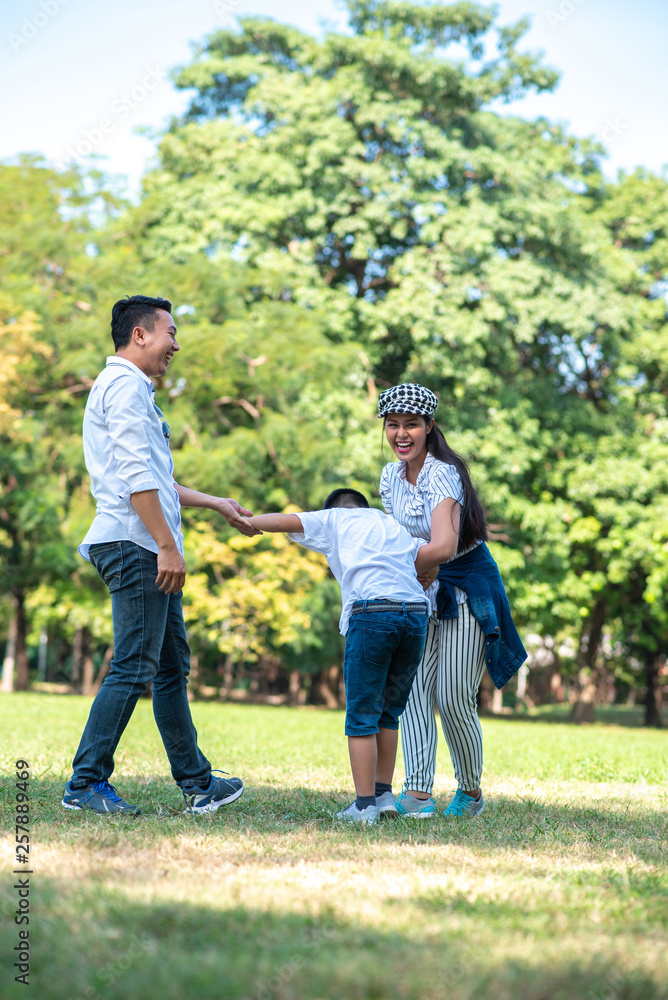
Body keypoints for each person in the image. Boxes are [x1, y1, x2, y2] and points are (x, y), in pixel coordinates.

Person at [62, 294, 261, 816]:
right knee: (134, 665)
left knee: (170, 666)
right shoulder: (125, 387)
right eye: (170, 332)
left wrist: (215, 503)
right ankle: (85, 784)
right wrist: (167, 547)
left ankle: (198, 783)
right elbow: (136, 479)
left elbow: (159, 479)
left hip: (142, 538)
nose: (176, 343)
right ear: (140, 334)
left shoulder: (134, 391)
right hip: (135, 542)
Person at [378, 383, 527, 817]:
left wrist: (402, 566)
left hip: (463, 586)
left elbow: (443, 546)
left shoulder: (442, 473)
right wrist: (406, 572)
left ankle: (471, 790)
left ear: (429, 427)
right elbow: (399, 538)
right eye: (393, 425)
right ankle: (419, 792)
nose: (401, 434)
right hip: (420, 586)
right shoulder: (390, 477)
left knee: (452, 696)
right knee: (413, 690)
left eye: (411, 425)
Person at [247, 488, 429, 825]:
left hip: (374, 613)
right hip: (416, 614)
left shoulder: (335, 518)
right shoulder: (391, 525)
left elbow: (284, 521)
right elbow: (428, 554)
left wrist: (245, 520)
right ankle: (382, 794)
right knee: (389, 712)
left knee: (361, 714)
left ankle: (363, 807)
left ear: (335, 510)